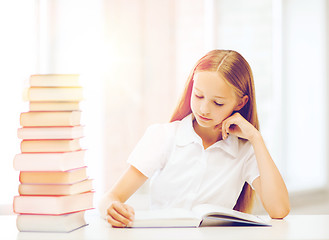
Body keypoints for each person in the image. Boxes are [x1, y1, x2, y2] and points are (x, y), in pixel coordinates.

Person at [98, 49, 290, 228]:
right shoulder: (164, 136)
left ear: (241, 103)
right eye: (198, 96)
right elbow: (111, 197)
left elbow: (279, 210)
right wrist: (110, 209)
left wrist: (256, 138)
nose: (204, 109)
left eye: (218, 102)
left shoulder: (245, 150)